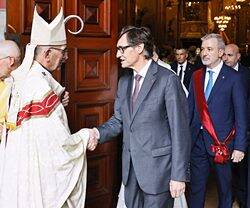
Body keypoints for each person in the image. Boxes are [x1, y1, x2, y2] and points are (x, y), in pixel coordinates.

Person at [88, 26, 191, 208]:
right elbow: (119, 120)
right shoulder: (124, 81)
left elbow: (180, 131)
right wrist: (97, 132)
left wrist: (178, 175)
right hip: (131, 172)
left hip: (159, 172)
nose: (118, 54)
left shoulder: (167, 80)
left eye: (122, 49)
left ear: (139, 48)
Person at [0, 7, 92, 208]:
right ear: (48, 53)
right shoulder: (39, 85)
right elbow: (58, 147)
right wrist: (85, 136)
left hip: (19, 174)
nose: (65, 58)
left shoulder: (25, 78)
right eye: (63, 53)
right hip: (38, 177)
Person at [188, 34, 248, 208]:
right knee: (196, 189)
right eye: (202, 49)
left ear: (221, 52)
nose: (204, 53)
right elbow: (189, 110)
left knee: (224, 189)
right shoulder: (196, 76)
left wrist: (240, 146)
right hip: (197, 141)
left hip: (222, 144)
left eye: (209, 49)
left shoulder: (234, 78)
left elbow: (241, 114)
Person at [223, 43, 250, 208]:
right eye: (224, 55)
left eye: (230, 55)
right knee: (227, 171)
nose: (226, 58)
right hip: (224, 132)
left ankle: (242, 200)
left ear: (238, 56)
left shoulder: (247, 75)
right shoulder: (220, 74)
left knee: (242, 170)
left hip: (242, 130)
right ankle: (229, 198)